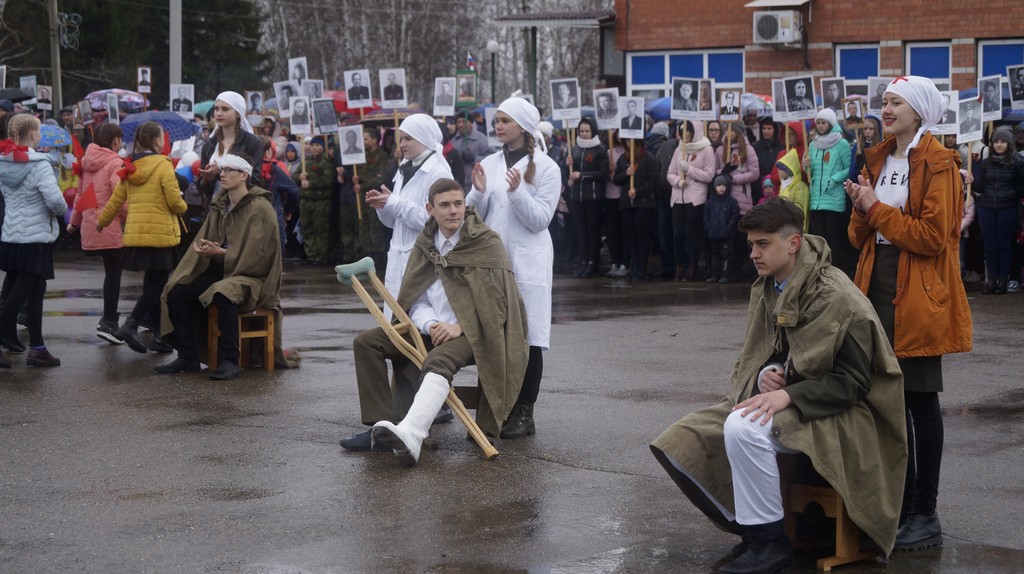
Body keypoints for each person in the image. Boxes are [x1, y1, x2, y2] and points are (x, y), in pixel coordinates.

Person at [650, 197, 908, 574]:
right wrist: (767, 373)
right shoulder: (771, 285)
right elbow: (776, 354)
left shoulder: (836, 295)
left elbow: (853, 384)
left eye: (762, 244)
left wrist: (786, 392)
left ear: (793, 243)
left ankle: (772, 544)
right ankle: (754, 533)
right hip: (799, 400)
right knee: (683, 438)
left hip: (850, 414)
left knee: (743, 427)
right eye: (751, 244)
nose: (754, 253)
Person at [844, 75, 972, 552]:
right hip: (875, 286)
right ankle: (898, 507)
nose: (887, 108)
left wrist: (875, 209)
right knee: (887, 404)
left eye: (896, 101)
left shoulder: (939, 162)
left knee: (919, 402)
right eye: (885, 101)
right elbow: (859, 238)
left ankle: (926, 512)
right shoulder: (877, 158)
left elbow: (931, 238)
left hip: (917, 292)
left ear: (918, 110)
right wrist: (861, 206)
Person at [339, 178, 528, 464]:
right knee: (367, 343)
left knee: (437, 360)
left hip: (475, 333)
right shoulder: (426, 244)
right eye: (445, 205)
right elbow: (417, 298)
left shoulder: (485, 243)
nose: (453, 211)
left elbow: (497, 305)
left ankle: (412, 432)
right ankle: (383, 429)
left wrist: (459, 326)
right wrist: (430, 324)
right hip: (432, 330)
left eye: (458, 204)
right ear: (430, 208)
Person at [468, 97, 561, 439]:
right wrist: (477, 194)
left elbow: (540, 221)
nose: (498, 126)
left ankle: (524, 411)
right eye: (496, 120)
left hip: (528, 261)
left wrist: (519, 192)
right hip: (492, 261)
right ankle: (496, 408)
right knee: (495, 334)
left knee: (529, 337)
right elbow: (469, 214)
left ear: (522, 125)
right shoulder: (490, 163)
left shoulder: (547, 168)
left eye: (505, 120)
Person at [156, 154, 282, 379]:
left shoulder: (261, 208)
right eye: (221, 170)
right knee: (177, 291)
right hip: (221, 271)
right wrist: (207, 250)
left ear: (244, 175)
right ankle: (188, 356)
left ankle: (230, 360)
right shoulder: (220, 205)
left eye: (228, 170)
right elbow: (209, 236)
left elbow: (261, 256)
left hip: (251, 278)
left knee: (223, 293)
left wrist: (222, 253)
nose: (222, 174)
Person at [96, 121, 187, 354]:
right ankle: (131, 324)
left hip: (137, 234)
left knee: (152, 283)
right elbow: (175, 201)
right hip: (159, 235)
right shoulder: (163, 165)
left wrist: (102, 222)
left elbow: (116, 200)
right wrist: (183, 205)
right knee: (157, 285)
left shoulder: (130, 166)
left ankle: (159, 336)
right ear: (158, 142)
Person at [0, 114, 68, 368]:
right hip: (35, 235)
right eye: (39, 131)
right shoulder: (40, 164)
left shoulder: (3, 162)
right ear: (32, 135)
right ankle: (28, 344)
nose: (41, 134)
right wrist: (63, 209)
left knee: (36, 291)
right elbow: (54, 201)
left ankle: (37, 347)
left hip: (12, 234)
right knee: (21, 295)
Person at [365, 114, 453, 307]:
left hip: (422, 260)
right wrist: (383, 206)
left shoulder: (438, 172)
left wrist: (393, 203)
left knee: (418, 319)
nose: (402, 144)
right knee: (397, 320)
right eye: (401, 139)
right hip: (399, 257)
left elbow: (435, 221)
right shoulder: (404, 167)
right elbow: (393, 223)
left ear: (424, 138)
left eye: (408, 138)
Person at [67, 123, 128, 344]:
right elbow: (120, 196)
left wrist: (74, 223)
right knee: (114, 274)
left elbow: (80, 196)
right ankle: (109, 322)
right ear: (115, 141)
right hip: (110, 226)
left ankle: (109, 319)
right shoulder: (115, 163)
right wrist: (131, 215)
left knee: (110, 272)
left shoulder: (86, 163)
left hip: (92, 225)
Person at [803, 108, 854, 275]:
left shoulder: (842, 144)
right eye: (818, 122)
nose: (820, 125)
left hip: (833, 198)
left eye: (823, 122)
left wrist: (834, 179)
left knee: (833, 238)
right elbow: (811, 173)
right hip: (816, 199)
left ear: (831, 124)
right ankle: (822, 270)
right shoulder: (812, 144)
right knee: (819, 238)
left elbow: (849, 168)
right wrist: (806, 166)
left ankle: (836, 270)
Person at [974, 126, 1024, 293]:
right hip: (986, 208)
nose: (999, 145)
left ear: (1009, 143)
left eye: (1003, 141)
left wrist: (1012, 194)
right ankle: (991, 281)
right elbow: (980, 185)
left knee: (1004, 245)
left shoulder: (1017, 163)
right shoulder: (986, 163)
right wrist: (970, 180)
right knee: (990, 245)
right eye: (996, 141)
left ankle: (1003, 280)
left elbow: (1022, 186)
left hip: (1007, 208)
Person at [667, 120, 716, 281]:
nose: (685, 134)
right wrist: (678, 181)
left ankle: (691, 267)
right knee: (677, 234)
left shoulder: (706, 149)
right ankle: (679, 266)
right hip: (678, 196)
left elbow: (709, 175)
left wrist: (690, 170)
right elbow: (670, 173)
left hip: (695, 197)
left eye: (688, 131)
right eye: (683, 131)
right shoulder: (679, 149)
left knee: (691, 233)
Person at [197, 92, 264, 198]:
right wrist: (208, 179)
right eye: (216, 109)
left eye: (225, 109)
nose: (219, 113)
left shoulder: (252, 143)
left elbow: (254, 180)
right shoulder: (209, 144)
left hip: (242, 206)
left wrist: (219, 172)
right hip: (214, 209)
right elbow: (202, 188)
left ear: (238, 113)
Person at [717, 123, 761, 280]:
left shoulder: (748, 149)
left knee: (740, 237)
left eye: (733, 130)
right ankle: (726, 271)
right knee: (727, 237)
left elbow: (755, 172)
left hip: (742, 198)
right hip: (725, 200)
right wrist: (722, 173)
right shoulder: (721, 149)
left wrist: (733, 179)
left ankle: (738, 268)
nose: (730, 133)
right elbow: (714, 172)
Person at [565, 117, 608, 278]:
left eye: (587, 131)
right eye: (581, 131)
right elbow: (570, 173)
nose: (584, 134)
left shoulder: (600, 149)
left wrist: (582, 175)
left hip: (593, 198)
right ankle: (583, 261)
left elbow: (603, 173)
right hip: (577, 197)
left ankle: (592, 263)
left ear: (593, 132)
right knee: (580, 232)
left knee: (592, 232)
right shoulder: (574, 149)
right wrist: (567, 163)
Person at [612, 138, 658, 280]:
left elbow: (653, 181)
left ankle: (641, 268)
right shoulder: (623, 158)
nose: (629, 144)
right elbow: (616, 180)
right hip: (627, 204)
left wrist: (638, 191)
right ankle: (633, 265)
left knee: (641, 237)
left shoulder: (648, 157)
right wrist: (626, 173)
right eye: (626, 141)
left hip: (643, 204)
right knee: (631, 237)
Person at [291, 136, 334, 264]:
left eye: (317, 145)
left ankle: (321, 256)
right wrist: (300, 176)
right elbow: (294, 176)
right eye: (312, 145)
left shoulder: (326, 161)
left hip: (320, 200)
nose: (314, 148)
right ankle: (311, 255)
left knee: (320, 228)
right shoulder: (306, 161)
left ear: (322, 147)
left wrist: (310, 184)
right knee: (307, 227)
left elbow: (327, 180)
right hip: (305, 200)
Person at [355, 127, 391, 267]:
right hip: (363, 197)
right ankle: (367, 254)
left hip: (375, 196)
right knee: (364, 225)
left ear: (375, 140)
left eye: (366, 138)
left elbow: (379, 178)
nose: (363, 141)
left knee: (375, 227)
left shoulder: (381, 156)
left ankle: (378, 258)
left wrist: (362, 186)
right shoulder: (362, 156)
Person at [259, 136, 299, 252]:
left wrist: (286, 209)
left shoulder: (244, 168)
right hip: (273, 214)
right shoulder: (273, 168)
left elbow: (293, 191)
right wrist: (286, 210)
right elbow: (293, 191)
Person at [703, 174, 740, 283]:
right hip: (713, 235)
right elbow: (706, 217)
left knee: (726, 256)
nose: (721, 187)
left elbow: (734, 216)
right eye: (719, 185)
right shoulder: (710, 202)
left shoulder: (732, 202)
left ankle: (725, 275)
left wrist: (728, 229)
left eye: (724, 185)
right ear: (714, 187)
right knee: (714, 257)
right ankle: (714, 275)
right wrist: (708, 229)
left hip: (727, 236)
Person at [451, 110, 491, 189]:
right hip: (458, 185)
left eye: (464, 121)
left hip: (476, 185)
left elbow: (491, 159)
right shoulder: (453, 142)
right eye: (458, 122)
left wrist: (474, 158)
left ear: (471, 123)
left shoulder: (482, 140)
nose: (461, 124)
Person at [776, 149, 808, 231]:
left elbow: (800, 208)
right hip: (783, 224)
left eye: (781, 169)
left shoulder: (800, 186)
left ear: (789, 170)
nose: (778, 171)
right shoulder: (783, 186)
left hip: (795, 226)